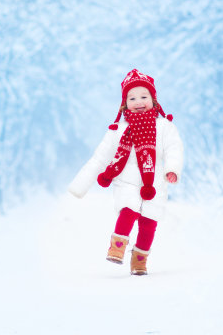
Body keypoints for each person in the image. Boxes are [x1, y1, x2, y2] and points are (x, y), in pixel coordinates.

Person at [68, 68, 184, 275]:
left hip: (154, 182)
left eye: (143, 96)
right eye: (132, 98)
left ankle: (139, 261)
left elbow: (174, 147)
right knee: (128, 209)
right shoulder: (118, 130)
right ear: (124, 104)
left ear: (154, 100)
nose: (138, 101)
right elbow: (100, 157)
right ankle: (117, 248)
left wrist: (172, 168)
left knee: (149, 223)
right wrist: (80, 186)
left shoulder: (163, 126)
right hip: (126, 179)